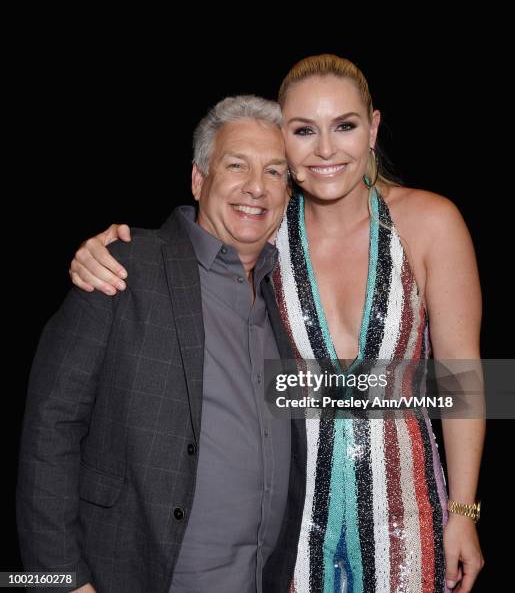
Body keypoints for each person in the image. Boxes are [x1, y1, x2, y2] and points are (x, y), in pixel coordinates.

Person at [68, 55, 485, 592]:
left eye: (346, 126)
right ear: (281, 138)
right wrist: (97, 250)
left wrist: (465, 513)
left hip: (409, 518)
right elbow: (175, 256)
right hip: (291, 524)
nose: (327, 149)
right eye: (304, 130)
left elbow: (466, 380)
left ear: (374, 127)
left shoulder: (432, 222)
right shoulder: (261, 231)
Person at [17, 96, 305, 593]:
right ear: (199, 179)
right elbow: (50, 427)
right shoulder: (124, 264)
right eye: (237, 165)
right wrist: (56, 582)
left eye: (275, 172)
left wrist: (465, 509)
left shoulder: (289, 299)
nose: (256, 187)